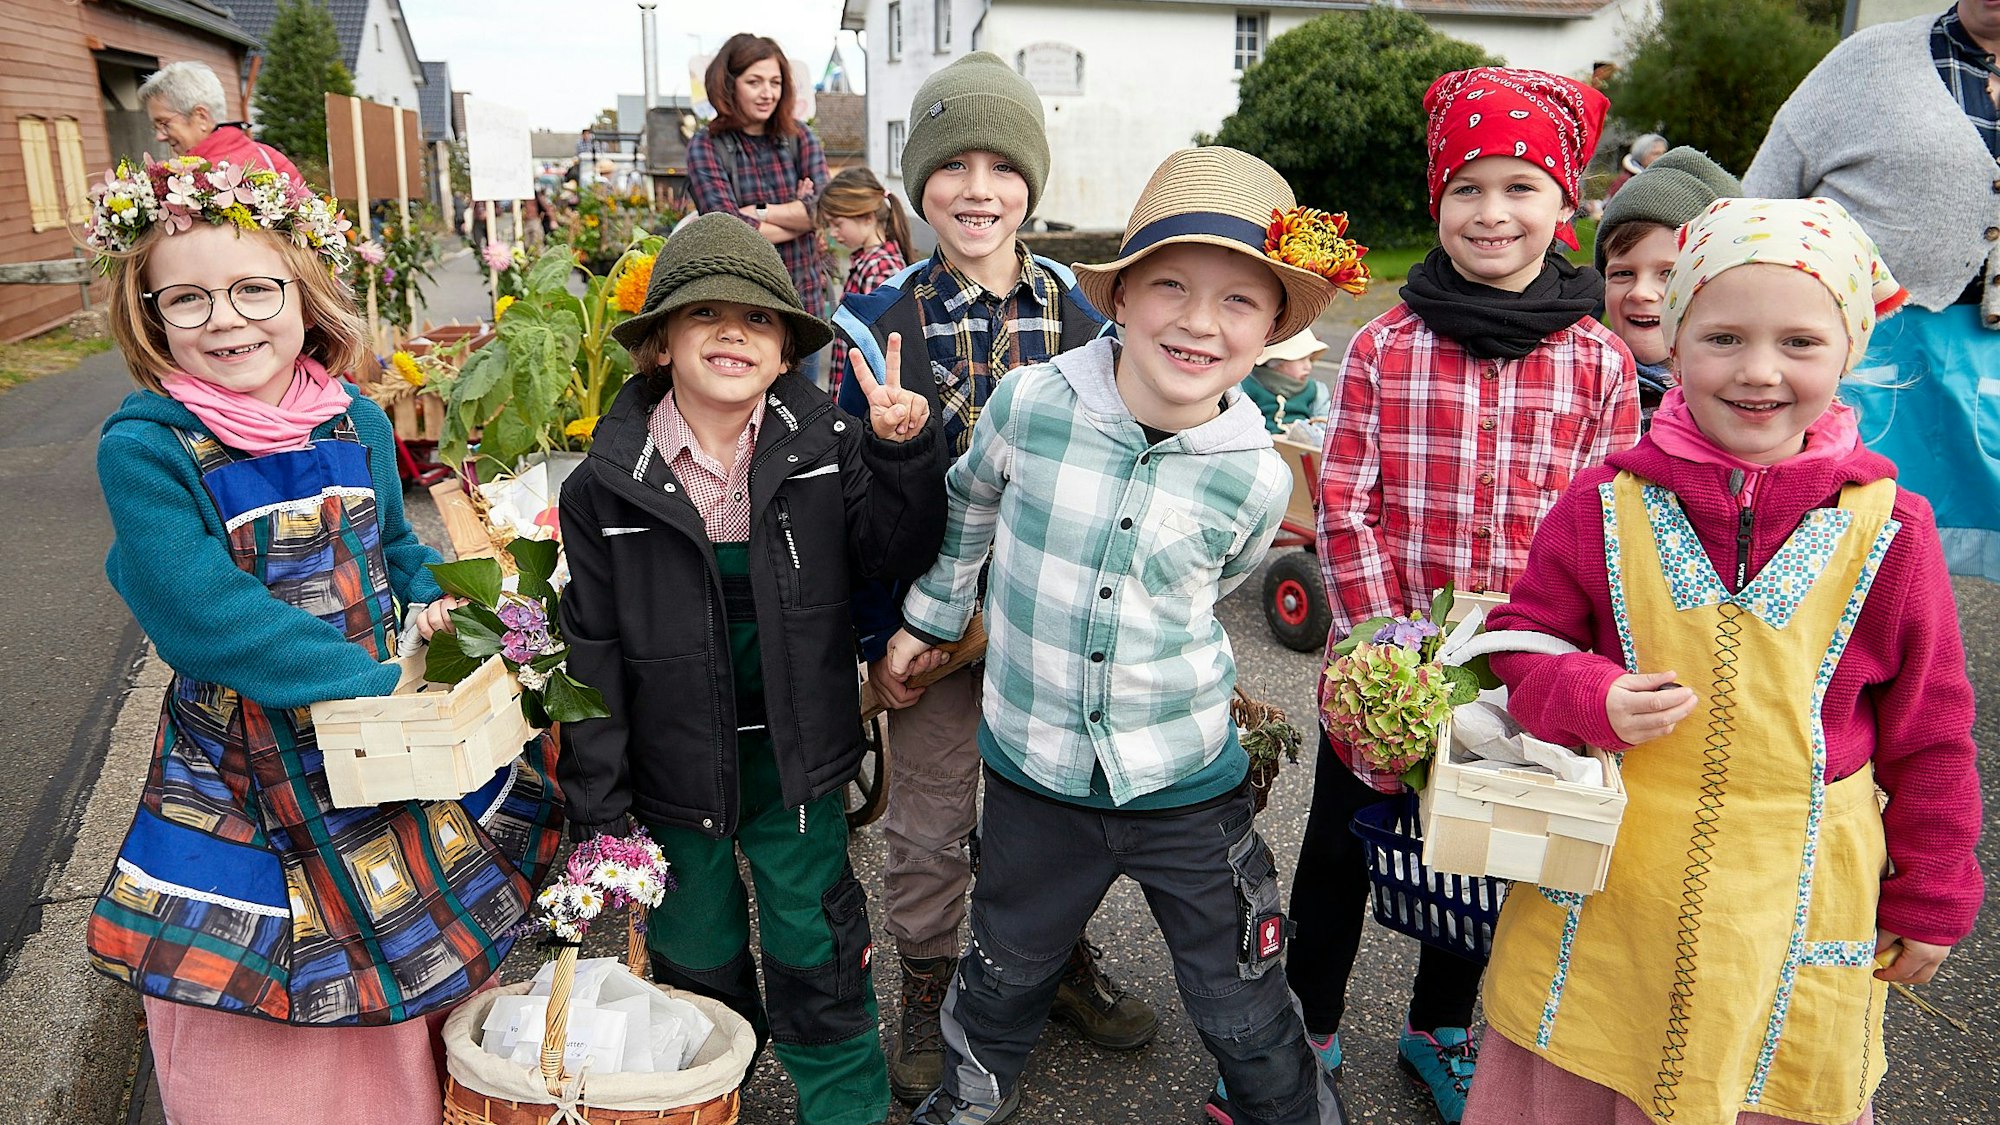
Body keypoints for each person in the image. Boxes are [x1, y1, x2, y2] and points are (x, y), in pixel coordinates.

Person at [1464, 196, 1986, 1125]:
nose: (1757, 371)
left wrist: (1935, 887)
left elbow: (1934, 729)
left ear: (1850, 351)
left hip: (1794, 906)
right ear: (1674, 335)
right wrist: (1589, 692)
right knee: (1598, 1061)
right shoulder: (1603, 502)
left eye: (1798, 343)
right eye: (1723, 337)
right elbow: (1521, 644)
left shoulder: (1892, 532)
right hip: (1617, 895)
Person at [880, 145, 1363, 1125]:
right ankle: (964, 1102)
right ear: (1123, 297)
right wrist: (925, 625)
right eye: (1171, 286)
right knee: (1005, 967)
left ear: (1271, 329)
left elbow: (1222, 581)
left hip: (1184, 780)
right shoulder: (1030, 405)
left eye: (1238, 301)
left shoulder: (1255, 476)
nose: (1196, 321)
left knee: (1240, 991)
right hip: (1033, 772)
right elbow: (968, 511)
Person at [81, 155, 562, 1125]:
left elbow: (394, 554)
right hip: (250, 762)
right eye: (189, 299)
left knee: (396, 941)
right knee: (273, 978)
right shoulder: (146, 449)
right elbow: (207, 615)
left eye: (255, 288)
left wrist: (472, 616)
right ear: (150, 316)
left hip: (375, 748)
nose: (227, 319)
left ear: (304, 297)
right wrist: (378, 680)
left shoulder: (355, 423)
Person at [1289, 66, 1639, 1125]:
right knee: (1341, 852)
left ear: (1563, 204)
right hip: (1384, 666)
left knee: (1480, 861)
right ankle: (1300, 1033)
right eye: (1466, 190)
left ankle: (1439, 1029)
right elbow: (1343, 501)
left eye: (1518, 187)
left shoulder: (1597, 362)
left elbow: (1610, 525)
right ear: (1435, 205)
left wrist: (1553, 656)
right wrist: (1386, 650)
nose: (1491, 213)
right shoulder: (1384, 346)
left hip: (1516, 673)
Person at [556, 213, 946, 1125]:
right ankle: (706, 1095)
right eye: (704, 316)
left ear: (783, 354)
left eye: (759, 320)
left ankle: (843, 1106)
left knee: (818, 946)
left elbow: (894, 548)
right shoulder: (603, 485)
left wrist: (900, 455)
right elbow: (592, 658)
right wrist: (602, 807)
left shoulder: (827, 448)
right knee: (695, 951)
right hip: (670, 772)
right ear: (660, 344)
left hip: (798, 765)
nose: (733, 333)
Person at [829, 51, 1156, 1105]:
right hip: (932, 627)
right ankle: (928, 982)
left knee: (1053, 812)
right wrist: (882, 634)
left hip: (1053, 624)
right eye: (951, 165)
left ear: (1031, 184)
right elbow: (856, 518)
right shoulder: (880, 332)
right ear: (917, 185)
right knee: (927, 821)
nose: (977, 189)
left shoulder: (1086, 323)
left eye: (1000, 166)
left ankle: (1048, 960)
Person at [1745, 0, 2000, 583]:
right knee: (1844, 541)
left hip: (1987, 356)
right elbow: (1764, 199)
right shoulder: (1870, 59)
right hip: (1871, 350)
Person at [687, 33, 835, 383]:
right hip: (743, 311)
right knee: (746, 420)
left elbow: (824, 210)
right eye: (754, 82)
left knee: (802, 420)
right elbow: (726, 228)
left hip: (803, 308)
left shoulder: (799, 137)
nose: (767, 92)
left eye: (775, 82)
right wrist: (799, 215)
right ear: (728, 84)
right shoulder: (707, 145)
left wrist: (760, 212)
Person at [1593, 146, 1741, 428]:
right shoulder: (1584, 384)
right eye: (1623, 273)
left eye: (1669, 274)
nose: (1641, 292)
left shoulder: (1751, 397)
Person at [819, 166, 912, 390]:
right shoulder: (867, 262)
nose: (832, 233)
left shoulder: (879, 270)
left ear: (868, 218)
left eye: (837, 223)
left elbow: (876, 351)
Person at [140, 61, 303, 186]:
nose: (159, 136)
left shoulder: (199, 180)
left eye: (164, 123)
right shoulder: (269, 156)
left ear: (201, 116)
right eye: (156, 127)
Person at [1240, 327, 1332, 435]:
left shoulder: (1314, 390)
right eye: (1302, 359)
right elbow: (1241, 423)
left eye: (1310, 359)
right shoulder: (1247, 386)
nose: (1308, 366)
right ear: (1277, 361)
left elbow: (1324, 421)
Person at [1604, 133, 1666, 201]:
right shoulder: (1625, 180)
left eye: (1663, 153)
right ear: (1642, 154)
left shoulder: (1662, 178)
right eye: (1656, 153)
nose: (1662, 157)